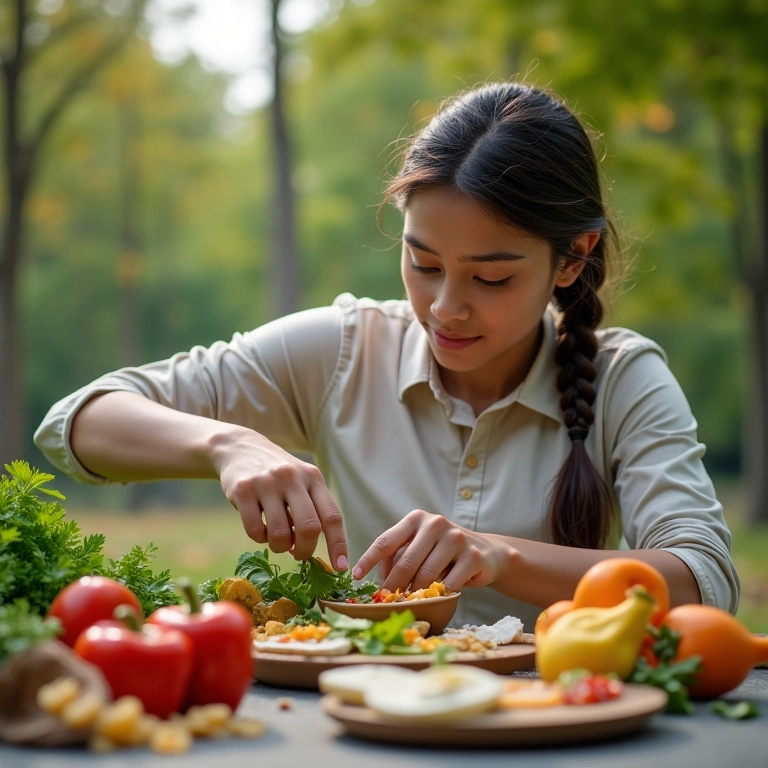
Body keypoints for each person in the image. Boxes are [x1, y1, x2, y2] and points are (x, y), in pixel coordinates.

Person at [34, 81, 739, 631]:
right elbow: (75, 425)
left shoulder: (622, 378)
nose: (445, 307)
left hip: (556, 719)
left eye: (491, 277)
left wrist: (499, 556)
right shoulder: (343, 350)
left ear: (571, 259)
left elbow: (703, 580)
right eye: (423, 263)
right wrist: (228, 444)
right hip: (357, 713)